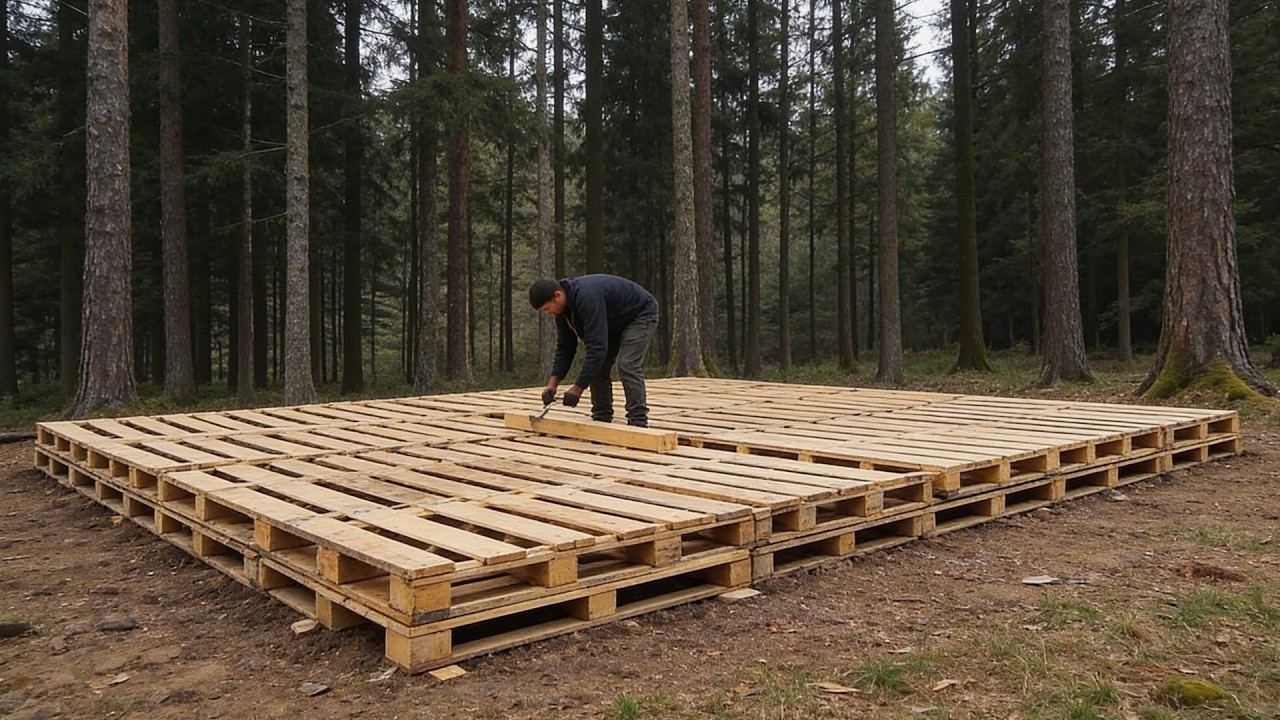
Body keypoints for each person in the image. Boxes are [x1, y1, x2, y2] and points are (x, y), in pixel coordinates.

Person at [529, 274, 659, 427]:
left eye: (547, 308)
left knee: (627, 364)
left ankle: (638, 420)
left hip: (640, 314)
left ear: (557, 296)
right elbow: (565, 348)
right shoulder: (562, 311)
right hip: (614, 320)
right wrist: (552, 384)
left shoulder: (587, 298)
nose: (548, 313)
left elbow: (597, 348)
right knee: (598, 366)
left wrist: (577, 389)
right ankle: (602, 415)